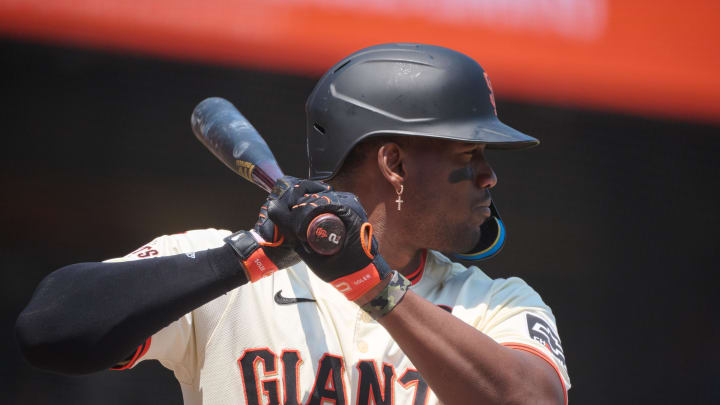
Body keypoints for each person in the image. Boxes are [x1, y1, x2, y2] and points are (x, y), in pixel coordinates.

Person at [16, 43, 570, 405]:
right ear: (394, 164)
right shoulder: (232, 276)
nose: (489, 177)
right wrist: (252, 253)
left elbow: (533, 401)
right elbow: (48, 330)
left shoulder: (499, 305)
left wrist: (376, 288)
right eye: (468, 155)